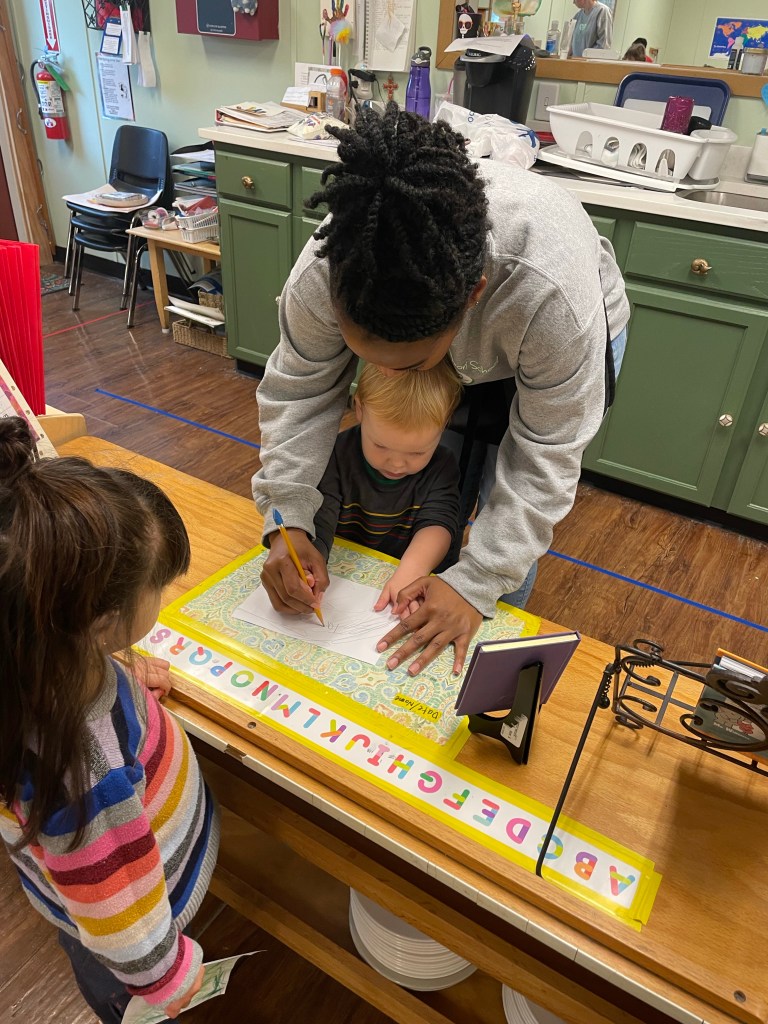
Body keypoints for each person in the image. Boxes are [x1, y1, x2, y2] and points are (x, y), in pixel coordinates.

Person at [254, 103, 629, 678]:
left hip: (546, 323)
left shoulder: (554, 303)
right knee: (442, 482)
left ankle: (466, 661)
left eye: (409, 365)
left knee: (496, 539)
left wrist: (477, 584)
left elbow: (544, 460)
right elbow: (299, 394)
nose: (388, 377)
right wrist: (288, 521)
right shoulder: (324, 274)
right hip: (467, 322)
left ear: (472, 297)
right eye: (364, 358)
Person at [0, 418, 218, 1023]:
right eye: (159, 588)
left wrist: (118, 674)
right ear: (98, 623)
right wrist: (166, 979)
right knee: (126, 1000)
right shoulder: (87, 775)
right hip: (137, 935)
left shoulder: (32, 656)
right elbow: (123, 917)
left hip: (106, 885)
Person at [311, 361, 462, 613]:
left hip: (401, 576)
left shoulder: (442, 466)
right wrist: (311, 562)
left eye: (417, 452)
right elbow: (321, 517)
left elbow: (438, 524)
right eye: (381, 446)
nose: (397, 464)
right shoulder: (337, 454)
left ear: (445, 422)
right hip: (339, 575)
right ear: (359, 408)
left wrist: (412, 570)